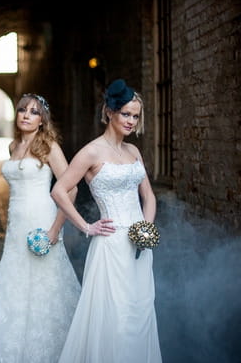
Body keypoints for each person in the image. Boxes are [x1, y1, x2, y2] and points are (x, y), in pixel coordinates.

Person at [52, 79, 162, 363]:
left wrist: (145, 229)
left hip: (139, 245)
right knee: (117, 316)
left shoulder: (133, 152)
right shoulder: (91, 152)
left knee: (140, 311)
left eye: (135, 116)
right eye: (126, 113)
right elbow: (59, 191)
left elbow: (149, 196)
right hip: (111, 244)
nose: (131, 120)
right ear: (110, 111)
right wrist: (87, 226)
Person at [0, 93, 82, 363]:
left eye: (34, 112)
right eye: (22, 110)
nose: (26, 115)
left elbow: (70, 189)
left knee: (44, 283)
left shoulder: (48, 146)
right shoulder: (12, 146)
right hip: (16, 225)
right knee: (13, 278)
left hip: (42, 220)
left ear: (42, 120)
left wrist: (55, 230)